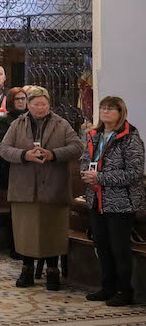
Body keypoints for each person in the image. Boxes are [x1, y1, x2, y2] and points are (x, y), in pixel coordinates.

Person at [0, 86, 82, 291]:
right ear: (28, 105)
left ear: (49, 105)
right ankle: (26, 269)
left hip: (54, 186)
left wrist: (53, 154)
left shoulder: (62, 124)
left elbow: (77, 147)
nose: (40, 108)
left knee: (52, 230)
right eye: (36, 104)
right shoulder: (18, 124)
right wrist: (24, 155)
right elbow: (4, 149)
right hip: (24, 187)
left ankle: (53, 271)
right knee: (25, 231)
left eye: (44, 104)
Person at [81, 96, 145, 306]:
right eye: (103, 108)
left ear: (120, 112)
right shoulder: (94, 135)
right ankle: (107, 287)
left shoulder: (130, 137)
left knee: (119, 248)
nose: (105, 112)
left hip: (121, 202)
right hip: (96, 199)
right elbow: (86, 160)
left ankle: (125, 291)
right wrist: (86, 174)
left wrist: (101, 178)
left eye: (110, 109)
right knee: (102, 246)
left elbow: (135, 173)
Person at [0, 86, 28, 259]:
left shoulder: (31, 118)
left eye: (24, 98)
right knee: (14, 210)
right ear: (11, 101)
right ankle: (14, 246)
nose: (21, 102)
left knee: (27, 211)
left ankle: (28, 244)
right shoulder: (4, 121)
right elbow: (4, 146)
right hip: (11, 170)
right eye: (18, 99)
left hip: (29, 170)